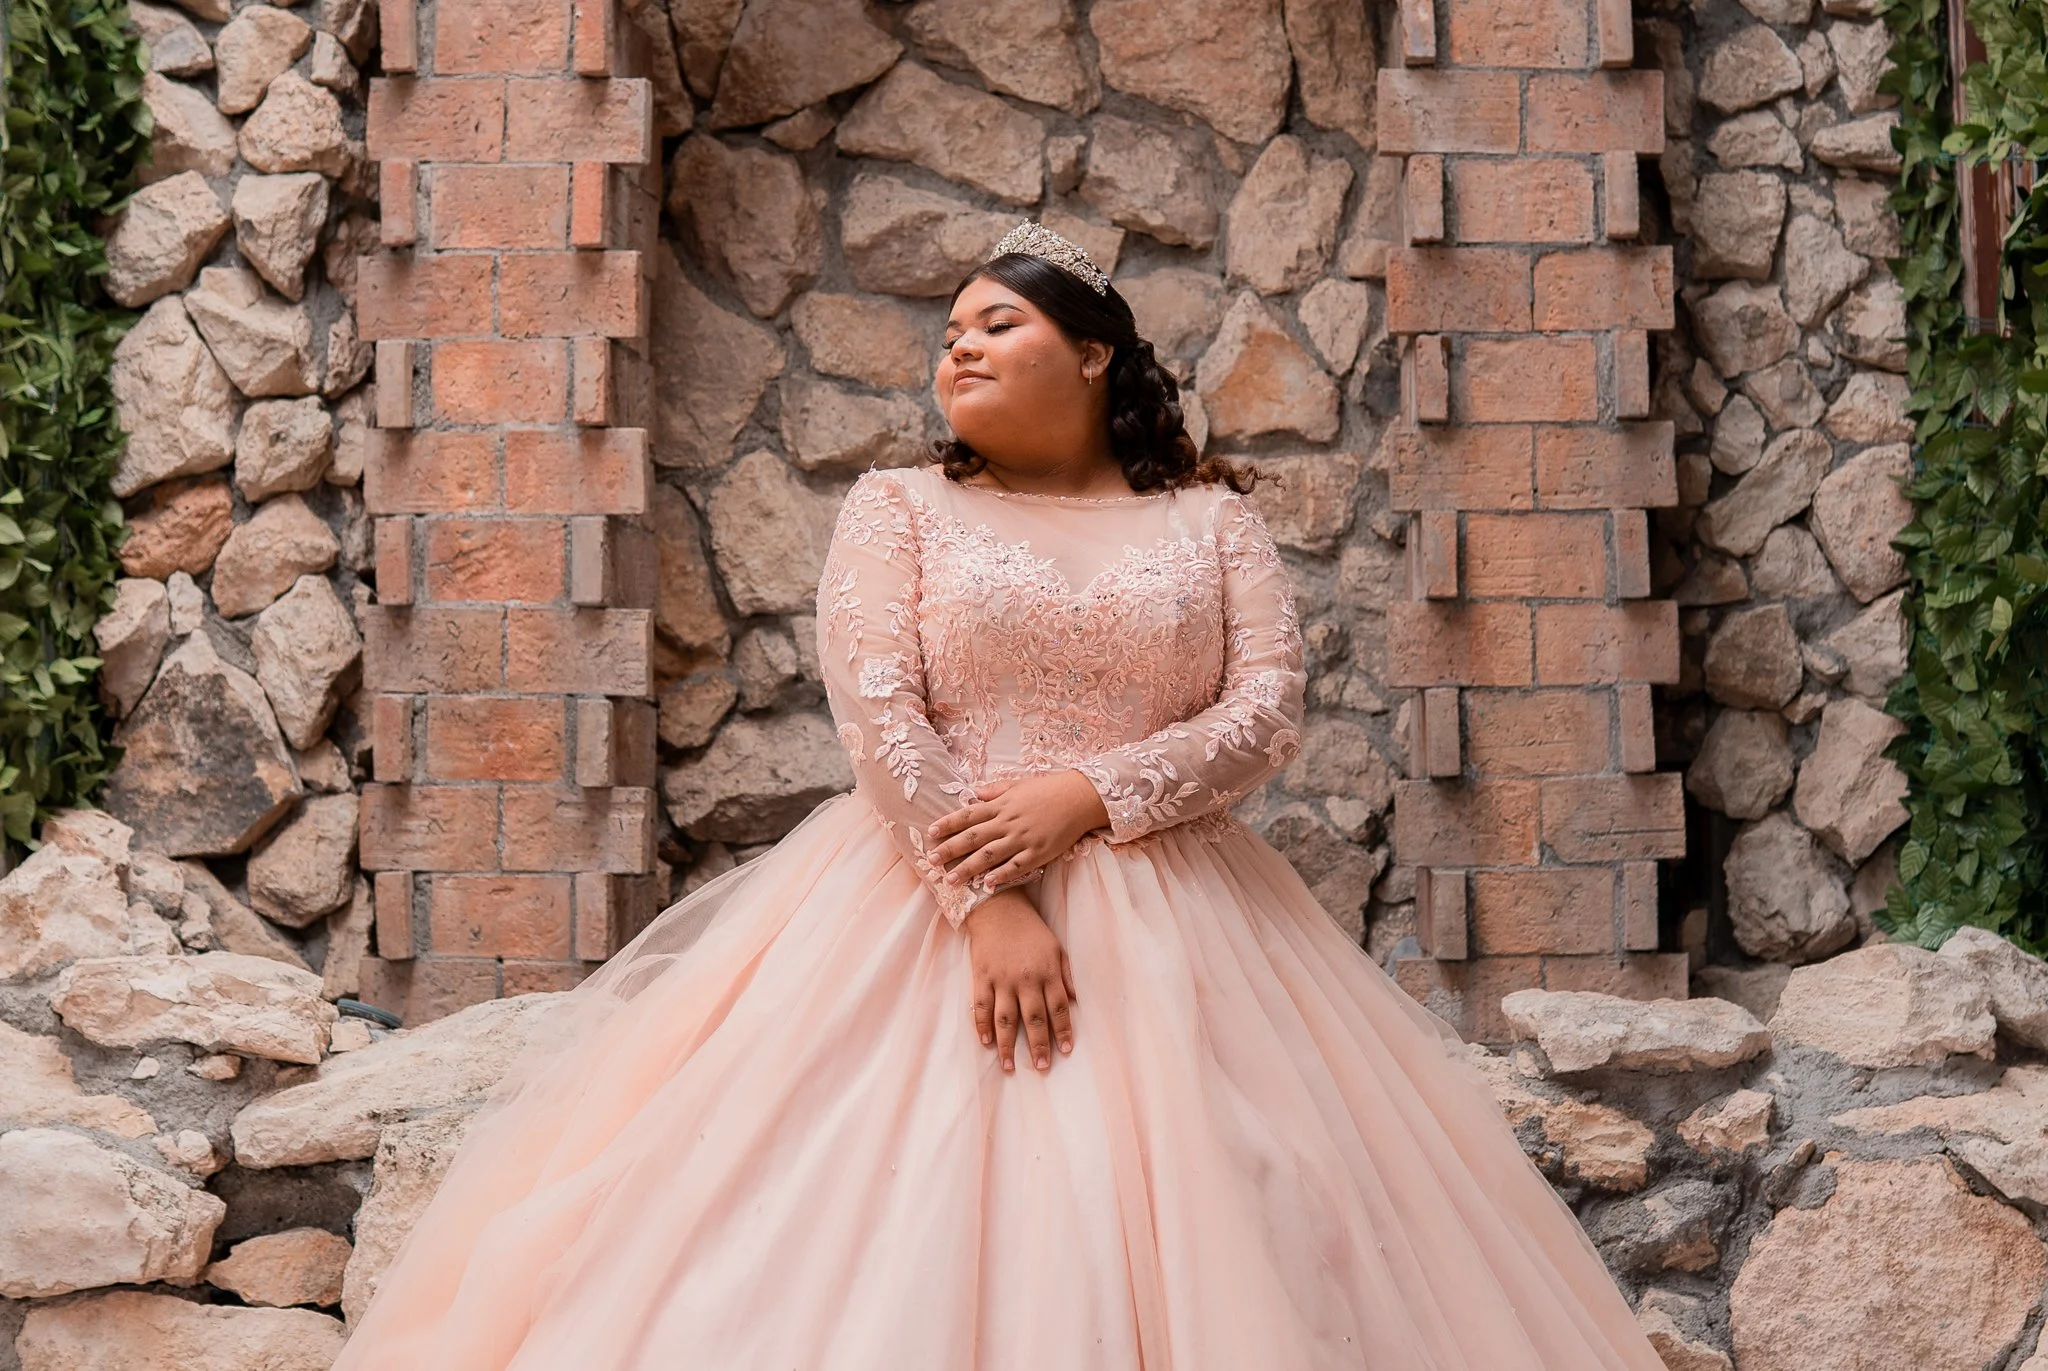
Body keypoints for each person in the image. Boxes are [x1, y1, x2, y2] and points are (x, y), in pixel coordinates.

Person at [330, 223, 1667, 1370]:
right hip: (914, 902)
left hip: (1186, 925)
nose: (954, 350)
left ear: (1094, 354)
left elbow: (1265, 713)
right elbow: (879, 710)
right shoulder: (900, 508)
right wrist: (986, 895)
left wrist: (1086, 796)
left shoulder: (1211, 522)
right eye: (946, 334)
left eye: (995, 323)